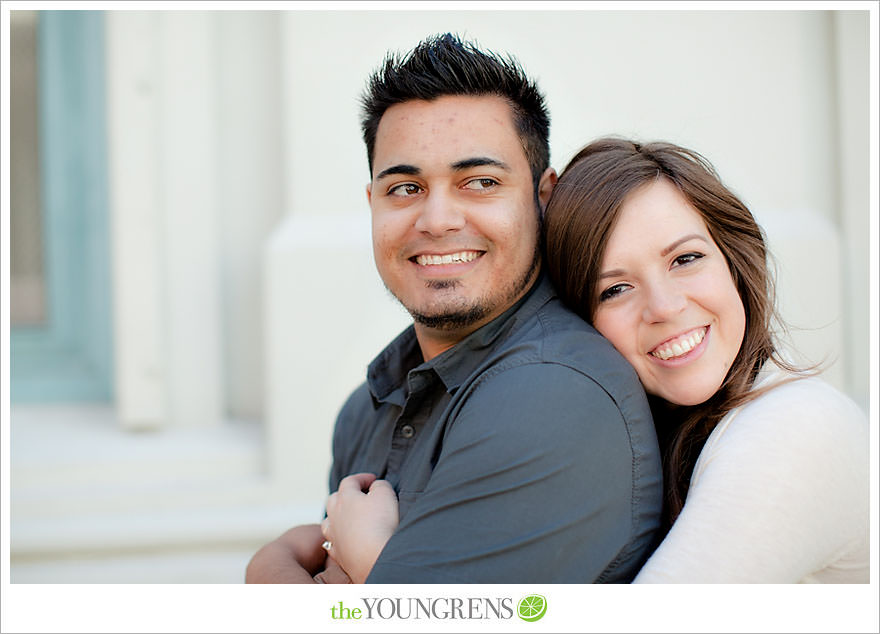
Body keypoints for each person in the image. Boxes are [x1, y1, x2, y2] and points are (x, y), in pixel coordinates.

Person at [246, 34, 663, 584]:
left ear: (544, 197)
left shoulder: (553, 394)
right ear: (373, 203)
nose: (437, 219)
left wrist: (267, 567)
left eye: (480, 182)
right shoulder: (367, 408)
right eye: (405, 188)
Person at [542, 137, 869, 583]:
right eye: (614, 289)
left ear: (733, 261)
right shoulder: (645, 446)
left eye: (685, 258)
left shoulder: (798, 425)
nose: (665, 306)